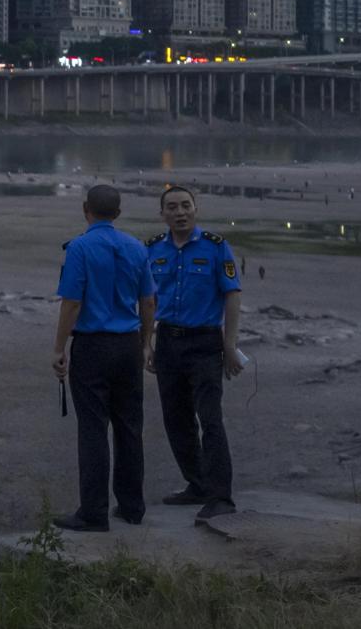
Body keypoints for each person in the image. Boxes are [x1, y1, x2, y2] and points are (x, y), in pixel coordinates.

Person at [52, 183, 155, 532]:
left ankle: (93, 511)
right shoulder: (137, 247)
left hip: (94, 345)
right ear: (119, 213)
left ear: (86, 209)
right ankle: (132, 506)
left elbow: (72, 302)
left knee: (94, 429)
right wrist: (145, 342)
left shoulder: (80, 247)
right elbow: (148, 301)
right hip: (127, 342)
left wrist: (58, 348)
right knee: (129, 427)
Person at [145, 185, 243, 522]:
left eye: (186, 206)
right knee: (176, 419)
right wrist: (147, 343)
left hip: (204, 343)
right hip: (168, 343)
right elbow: (147, 301)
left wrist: (229, 345)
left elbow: (232, 296)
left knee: (210, 419)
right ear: (163, 214)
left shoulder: (216, 248)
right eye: (172, 207)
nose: (180, 212)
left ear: (196, 209)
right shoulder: (153, 249)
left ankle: (220, 496)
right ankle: (197, 484)